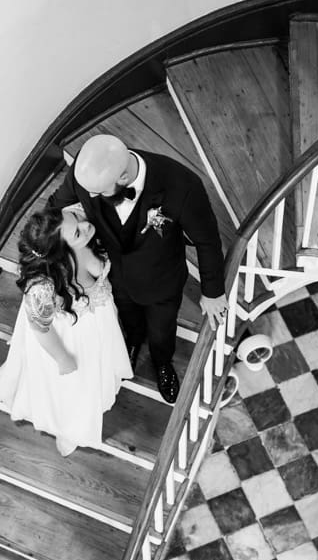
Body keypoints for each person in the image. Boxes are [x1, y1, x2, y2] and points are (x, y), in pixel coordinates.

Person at [49, 134, 229, 405]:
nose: (90, 197)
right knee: (129, 319)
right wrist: (41, 253)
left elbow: (207, 240)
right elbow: (54, 208)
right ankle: (132, 343)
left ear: (122, 178)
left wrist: (213, 292)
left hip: (161, 280)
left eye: (99, 193)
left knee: (161, 330)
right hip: (114, 276)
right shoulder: (85, 174)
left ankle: (162, 362)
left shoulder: (182, 185)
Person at [0, 204, 132, 456]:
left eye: (77, 219)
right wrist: (63, 358)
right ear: (59, 255)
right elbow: (40, 328)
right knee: (74, 386)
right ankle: (69, 426)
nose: (85, 225)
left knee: (98, 368)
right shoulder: (42, 287)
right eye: (78, 233)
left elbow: (98, 269)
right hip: (70, 337)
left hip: (97, 323)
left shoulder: (80, 241)